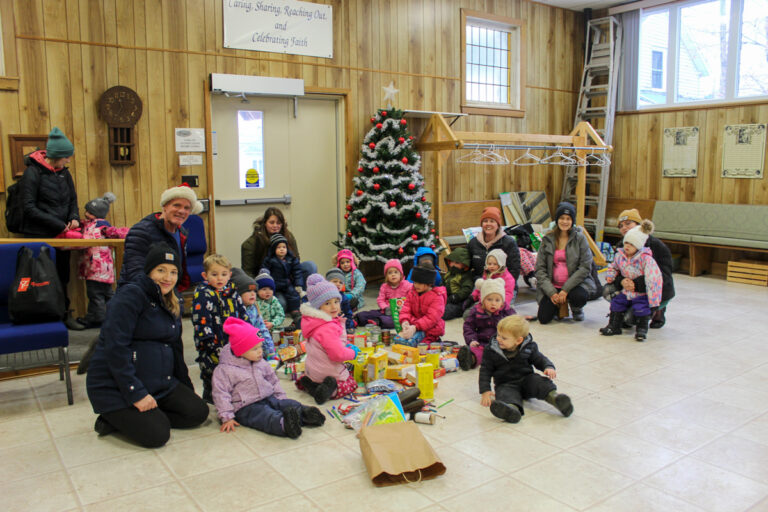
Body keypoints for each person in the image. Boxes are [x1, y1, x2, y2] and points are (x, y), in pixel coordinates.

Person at [85, 244, 209, 448]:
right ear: (149, 271)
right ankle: (111, 417)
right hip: (116, 387)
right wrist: (136, 393)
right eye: (161, 270)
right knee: (158, 435)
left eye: (173, 272)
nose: (167, 278)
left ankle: (144, 415)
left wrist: (186, 389)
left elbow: (175, 348)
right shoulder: (130, 296)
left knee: (197, 412)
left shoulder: (173, 300)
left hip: (159, 382)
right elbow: (116, 348)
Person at [212, 317, 325, 438]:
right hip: (245, 407)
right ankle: (284, 425)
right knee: (265, 415)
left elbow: (273, 380)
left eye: (260, 347)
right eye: (255, 349)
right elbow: (221, 393)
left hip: (267, 397)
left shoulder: (260, 362)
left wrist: (280, 397)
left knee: (286, 404)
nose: (260, 351)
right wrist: (227, 416)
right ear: (240, 350)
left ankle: (305, 414)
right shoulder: (225, 370)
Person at [18, 127, 81, 329]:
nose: (68, 161)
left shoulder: (65, 174)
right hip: (39, 235)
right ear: (56, 156)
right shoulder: (32, 173)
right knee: (40, 276)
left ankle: (64, 314)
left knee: (63, 276)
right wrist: (58, 224)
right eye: (65, 157)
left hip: (63, 235)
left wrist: (74, 218)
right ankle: (42, 317)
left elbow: (73, 200)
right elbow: (28, 207)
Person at [478, 315, 573, 424]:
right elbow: (485, 370)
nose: (498, 339)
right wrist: (485, 391)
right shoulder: (491, 351)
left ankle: (556, 399)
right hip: (506, 383)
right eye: (498, 335)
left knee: (540, 383)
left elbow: (539, 359)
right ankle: (512, 410)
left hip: (527, 379)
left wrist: (548, 367)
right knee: (505, 394)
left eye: (504, 338)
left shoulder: (529, 347)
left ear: (518, 340)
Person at [118, 185, 203, 290]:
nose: (182, 211)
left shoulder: (182, 233)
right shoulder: (141, 231)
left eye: (187, 208)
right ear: (165, 206)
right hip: (140, 296)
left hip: (169, 292)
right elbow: (134, 273)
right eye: (176, 205)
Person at [192, 254, 248, 403]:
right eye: (214, 274)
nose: (219, 278)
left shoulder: (233, 292)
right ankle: (209, 393)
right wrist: (210, 343)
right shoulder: (203, 294)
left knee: (232, 369)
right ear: (205, 275)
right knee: (212, 370)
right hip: (211, 342)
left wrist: (248, 333)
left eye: (224, 274)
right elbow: (201, 321)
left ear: (229, 275)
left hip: (232, 341)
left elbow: (242, 314)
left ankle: (229, 392)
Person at [296, 274, 359, 404]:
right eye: (327, 303)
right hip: (327, 372)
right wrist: (352, 353)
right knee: (351, 383)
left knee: (319, 372)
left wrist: (345, 345)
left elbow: (331, 344)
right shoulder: (327, 328)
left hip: (313, 371)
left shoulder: (313, 321)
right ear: (318, 307)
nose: (334, 307)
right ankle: (331, 389)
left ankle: (312, 385)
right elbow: (337, 354)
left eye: (336, 301)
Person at [534, 202, 597, 324]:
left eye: (568, 219)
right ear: (557, 220)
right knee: (544, 318)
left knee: (578, 297)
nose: (565, 222)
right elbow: (540, 268)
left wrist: (565, 289)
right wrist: (551, 292)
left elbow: (585, 267)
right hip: (553, 285)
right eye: (562, 218)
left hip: (574, 286)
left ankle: (576, 308)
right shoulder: (548, 239)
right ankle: (559, 306)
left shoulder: (580, 239)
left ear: (572, 221)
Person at [600, 221, 663, 341]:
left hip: (641, 294)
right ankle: (614, 326)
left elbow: (653, 280)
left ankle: (641, 330)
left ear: (638, 246)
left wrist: (654, 301)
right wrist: (611, 275)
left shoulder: (646, 259)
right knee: (617, 302)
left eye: (631, 244)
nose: (627, 246)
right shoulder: (620, 255)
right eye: (626, 243)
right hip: (626, 292)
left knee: (641, 308)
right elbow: (613, 266)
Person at [75, 192, 129, 328]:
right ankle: (115, 316)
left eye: (90, 212)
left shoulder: (101, 226)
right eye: (86, 211)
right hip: (97, 266)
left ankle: (97, 317)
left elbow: (116, 232)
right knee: (106, 293)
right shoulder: (88, 225)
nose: (86, 214)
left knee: (95, 293)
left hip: (97, 267)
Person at [616, 208, 675, 328]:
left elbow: (664, 278)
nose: (624, 228)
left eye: (628, 223)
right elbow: (616, 271)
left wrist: (636, 284)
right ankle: (624, 310)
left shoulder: (657, 246)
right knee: (608, 290)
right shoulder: (621, 246)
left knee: (631, 319)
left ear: (639, 225)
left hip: (655, 290)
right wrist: (622, 281)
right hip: (632, 290)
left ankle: (658, 310)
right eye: (620, 226)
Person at [240, 207, 317, 279]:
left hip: (287, 275)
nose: (275, 226)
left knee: (310, 266)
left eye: (278, 223)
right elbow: (248, 273)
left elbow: (296, 258)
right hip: (265, 279)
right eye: (271, 222)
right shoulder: (251, 244)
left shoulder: (288, 236)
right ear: (265, 223)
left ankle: (301, 291)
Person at [459, 278, 513, 371]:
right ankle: (470, 358)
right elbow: (468, 326)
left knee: (509, 355)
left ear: (502, 301)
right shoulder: (476, 311)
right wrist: (472, 340)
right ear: (483, 300)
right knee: (478, 352)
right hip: (482, 343)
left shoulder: (507, 312)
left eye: (497, 300)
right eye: (489, 299)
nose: (493, 303)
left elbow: (515, 324)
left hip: (501, 343)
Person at [396, 261, 446, 346]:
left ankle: (437, 342)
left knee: (422, 348)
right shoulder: (412, 292)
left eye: (420, 283)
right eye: (415, 282)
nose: (416, 285)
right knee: (401, 343)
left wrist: (415, 327)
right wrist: (405, 321)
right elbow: (405, 309)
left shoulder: (437, 297)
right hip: (414, 325)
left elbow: (431, 319)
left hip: (430, 329)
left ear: (429, 283)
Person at [466, 207, 521, 284]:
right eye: (485, 221)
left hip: (503, 284)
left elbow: (514, 269)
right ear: (481, 224)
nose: (488, 224)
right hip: (480, 283)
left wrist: (504, 284)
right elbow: (468, 268)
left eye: (492, 221)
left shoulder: (509, 242)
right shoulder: (473, 243)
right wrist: (476, 281)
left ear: (498, 225)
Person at [262, 234, 305, 329]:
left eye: (284, 247)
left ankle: (295, 312)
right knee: (280, 301)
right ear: (273, 249)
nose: (282, 249)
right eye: (278, 247)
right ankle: (280, 313)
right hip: (276, 285)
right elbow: (265, 270)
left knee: (294, 295)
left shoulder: (291, 259)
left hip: (287, 283)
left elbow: (297, 271)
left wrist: (298, 284)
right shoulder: (270, 260)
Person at [231, 268, 275, 358]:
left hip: (256, 350)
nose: (253, 294)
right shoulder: (233, 311)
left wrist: (270, 351)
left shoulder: (254, 308)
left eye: (254, 291)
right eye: (248, 291)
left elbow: (262, 330)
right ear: (238, 294)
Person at [355, 259, 413, 328]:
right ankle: (358, 319)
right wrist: (385, 307)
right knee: (366, 314)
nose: (393, 275)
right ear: (386, 276)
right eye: (390, 273)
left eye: (396, 272)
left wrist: (404, 309)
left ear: (401, 274)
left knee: (392, 321)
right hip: (385, 310)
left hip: (399, 313)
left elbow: (411, 298)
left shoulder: (407, 285)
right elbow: (380, 300)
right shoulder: (384, 286)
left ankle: (378, 321)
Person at [442, 248, 474, 320]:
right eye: (452, 262)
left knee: (447, 311)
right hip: (447, 297)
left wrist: (456, 297)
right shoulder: (449, 273)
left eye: (457, 263)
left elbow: (467, 288)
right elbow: (443, 284)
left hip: (459, 301)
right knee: (435, 305)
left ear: (464, 265)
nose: (453, 265)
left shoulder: (465, 276)